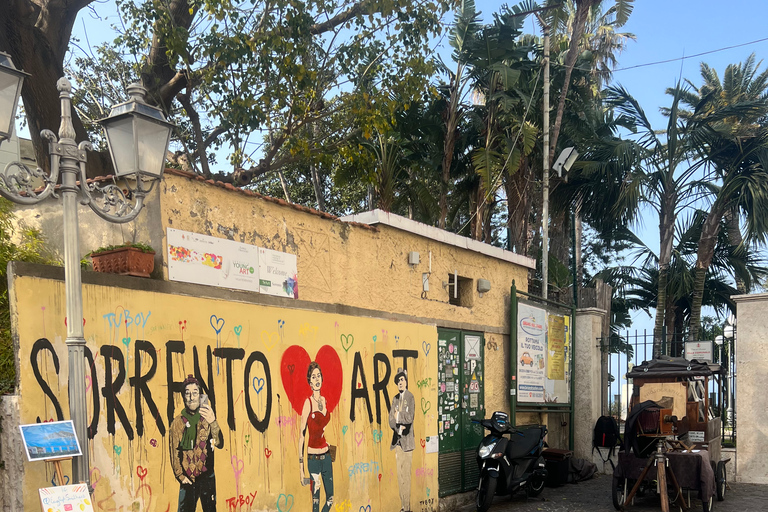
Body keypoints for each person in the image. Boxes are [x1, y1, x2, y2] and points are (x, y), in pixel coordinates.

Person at [169, 375, 224, 512]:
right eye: (188, 394)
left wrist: (213, 422)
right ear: (183, 397)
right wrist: (181, 476)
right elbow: (174, 452)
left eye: (195, 393)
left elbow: (219, 443)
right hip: (187, 480)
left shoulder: (207, 418)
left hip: (207, 478)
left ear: (200, 396)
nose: (191, 397)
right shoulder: (177, 423)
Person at [299, 361, 335, 512]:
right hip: (313, 459)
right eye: (313, 377)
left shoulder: (325, 401)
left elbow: (323, 429)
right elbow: (302, 435)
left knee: (330, 499)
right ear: (309, 382)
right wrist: (301, 469)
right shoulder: (308, 403)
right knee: (315, 504)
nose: (317, 379)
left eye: (318, 376)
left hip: (326, 457)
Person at [389, 368, 415, 512]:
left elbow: (410, 417)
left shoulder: (410, 397)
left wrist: (399, 415)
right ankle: (403, 506)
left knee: (407, 476)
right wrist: (398, 427)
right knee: (400, 477)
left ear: (406, 381)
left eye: (402, 379)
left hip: (408, 444)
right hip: (397, 441)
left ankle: (407, 506)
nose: (400, 382)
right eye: (398, 380)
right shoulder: (395, 398)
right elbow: (390, 419)